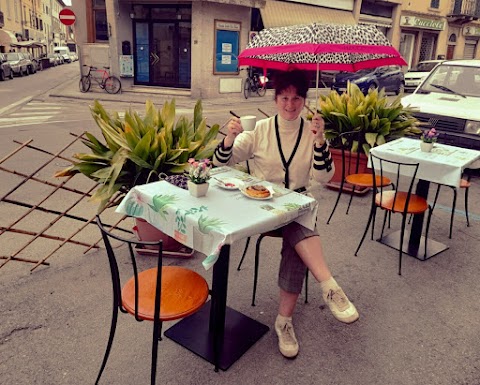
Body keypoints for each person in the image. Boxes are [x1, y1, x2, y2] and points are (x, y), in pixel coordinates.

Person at [213, 69, 359, 358]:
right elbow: (222, 160)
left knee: (296, 225)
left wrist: (319, 142)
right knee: (298, 225)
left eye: (296, 98)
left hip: (297, 204)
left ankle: (285, 321)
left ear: (305, 101)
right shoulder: (261, 130)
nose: (290, 105)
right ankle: (328, 285)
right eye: (284, 98)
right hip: (261, 207)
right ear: (275, 99)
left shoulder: (312, 131)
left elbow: (325, 177)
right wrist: (230, 137)